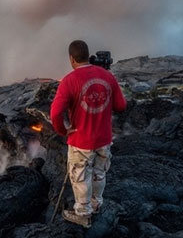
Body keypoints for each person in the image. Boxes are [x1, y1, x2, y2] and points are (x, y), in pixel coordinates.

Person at [50, 40, 127, 228]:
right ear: (87, 55)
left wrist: (63, 130)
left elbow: (55, 113)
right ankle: (96, 204)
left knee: (80, 176)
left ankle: (83, 213)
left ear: (71, 58)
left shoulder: (69, 81)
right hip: (104, 138)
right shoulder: (107, 76)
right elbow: (121, 106)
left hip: (81, 140)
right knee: (99, 173)